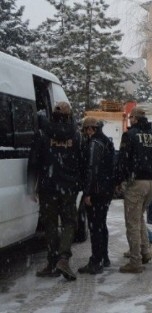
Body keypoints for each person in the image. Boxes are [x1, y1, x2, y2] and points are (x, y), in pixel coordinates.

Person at [27, 101, 82, 281]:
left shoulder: (43, 133)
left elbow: (34, 161)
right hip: (68, 187)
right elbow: (81, 161)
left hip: (48, 186)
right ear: (68, 116)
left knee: (50, 224)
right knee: (69, 222)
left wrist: (31, 187)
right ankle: (64, 258)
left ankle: (52, 262)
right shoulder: (75, 135)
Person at [115, 107, 152, 273]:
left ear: (135, 119)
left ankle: (135, 261)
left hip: (136, 183)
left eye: (130, 118)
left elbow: (122, 160)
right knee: (139, 218)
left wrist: (119, 180)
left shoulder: (130, 135)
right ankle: (145, 251)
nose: (129, 120)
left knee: (132, 223)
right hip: (151, 182)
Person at [77, 117, 115, 275]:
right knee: (101, 224)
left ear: (90, 129)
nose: (86, 133)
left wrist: (87, 193)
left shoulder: (94, 144)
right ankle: (104, 257)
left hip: (96, 192)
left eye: (86, 130)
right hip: (106, 191)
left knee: (95, 227)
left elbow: (91, 169)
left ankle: (96, 261)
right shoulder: (107, 141)